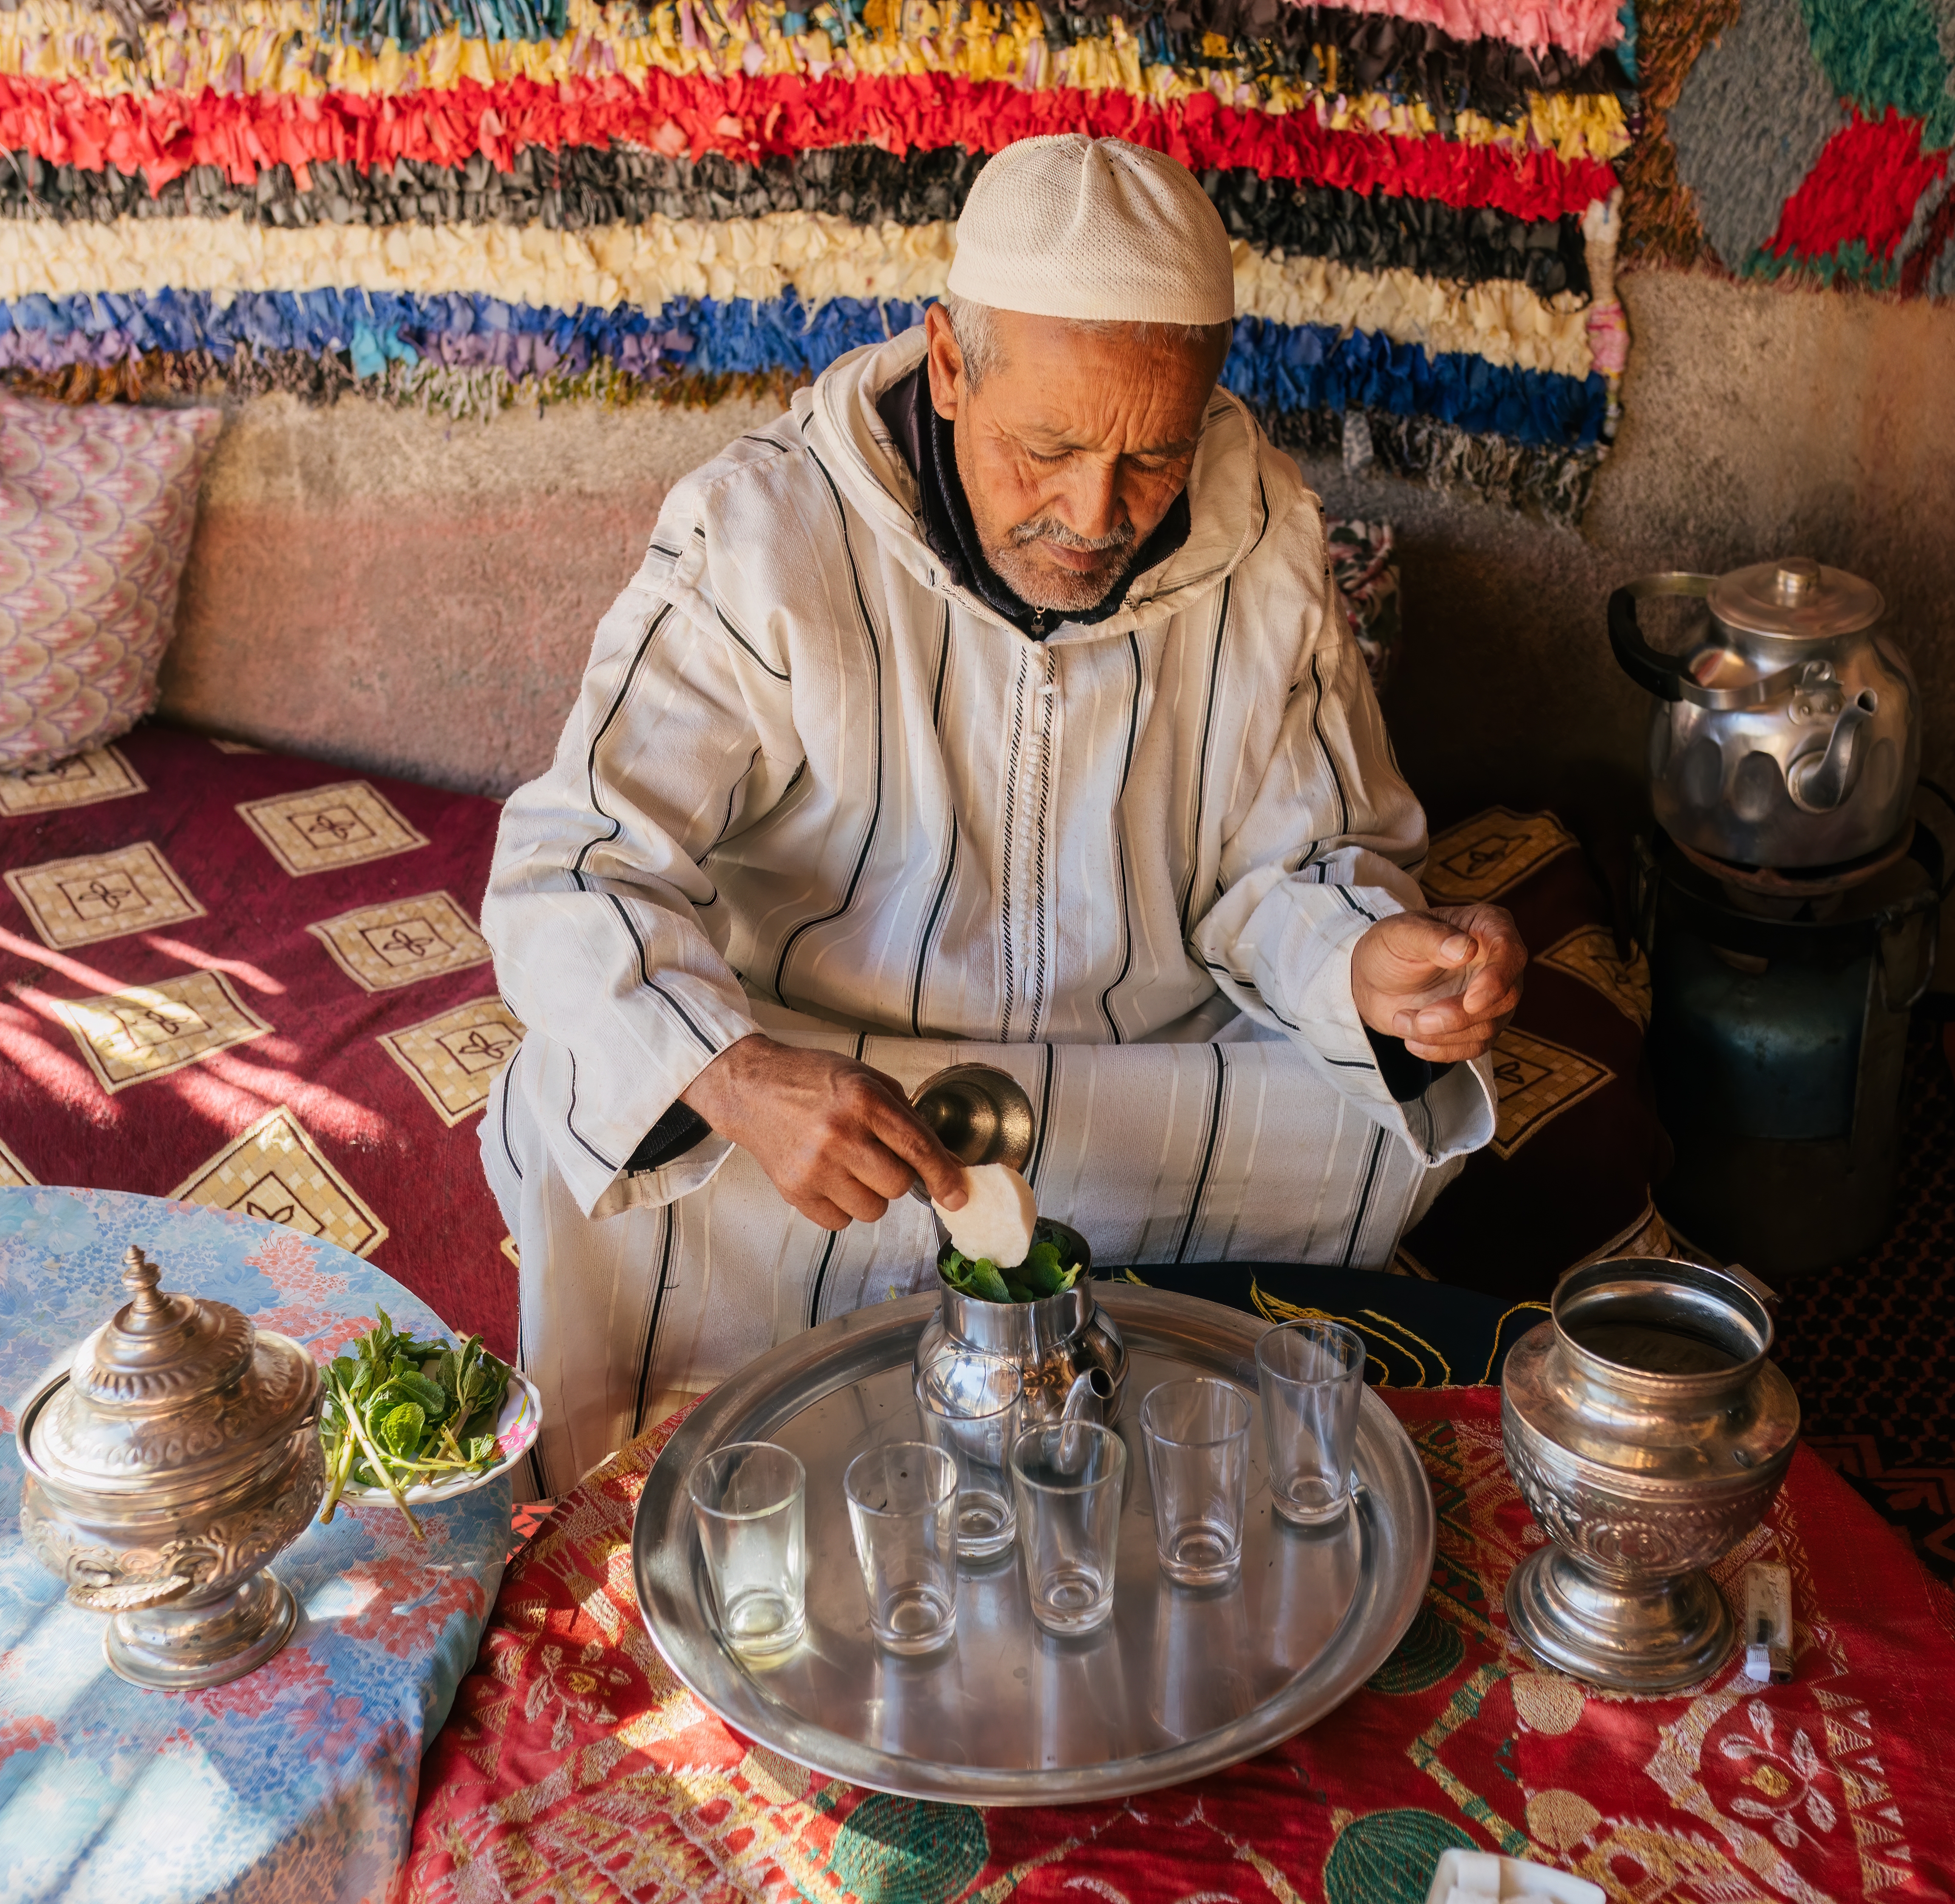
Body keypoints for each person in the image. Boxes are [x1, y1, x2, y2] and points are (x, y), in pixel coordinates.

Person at [484, 135, 1526, 1488]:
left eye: (1153, 457)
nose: (1095, 514)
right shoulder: (759, 531)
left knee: (1391, 1107)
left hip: (1133, 1092)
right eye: (1048, 449)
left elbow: (1299, 863)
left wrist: (1368, 962)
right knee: (582, 1101)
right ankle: (674, 1491)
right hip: (835, 1099)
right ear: (949, 363)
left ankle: (1178, 1463)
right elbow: (571, 870)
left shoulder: (1265, 533)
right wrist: (737, 1080)